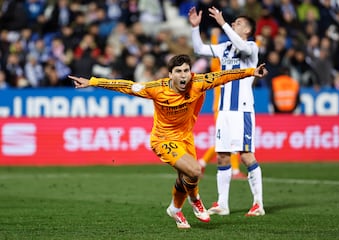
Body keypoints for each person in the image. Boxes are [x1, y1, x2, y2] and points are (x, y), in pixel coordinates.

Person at [69, 54, 268, 228]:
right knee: (195, 171)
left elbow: (223, 76)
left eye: (187, 71)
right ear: (170, 74)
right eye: (179, 71)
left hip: (186, 138)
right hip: (163, 139)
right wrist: (93, 82)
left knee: (186, 176)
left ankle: (175, 209)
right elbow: (127, 86)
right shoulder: (156, 88)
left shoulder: (197, 83)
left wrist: (251, 71)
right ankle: (195, 199)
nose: (184, 75)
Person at [189, 6, 266, 216]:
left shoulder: (251, 47)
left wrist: (222, 23)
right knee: (222, 156)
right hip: (224, 110)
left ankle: (258, 203)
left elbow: (240, 44)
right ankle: (223, 204)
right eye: (233, 23)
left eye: (238, 23)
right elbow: (199, 49)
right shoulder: (224, 48)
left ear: (248, 30)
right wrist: (195, 28)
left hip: (242, 110)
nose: (233, 24)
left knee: (246, 155)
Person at [198, 28, 247, 180]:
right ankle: (234, 171)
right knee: (230, 140)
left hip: (229, 108)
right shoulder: (218, 69)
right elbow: (214, 56)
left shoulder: (234, 69)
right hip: (221, 108)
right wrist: (214, 36)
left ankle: (202, 163)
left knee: (226, 140)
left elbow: (248, 56)